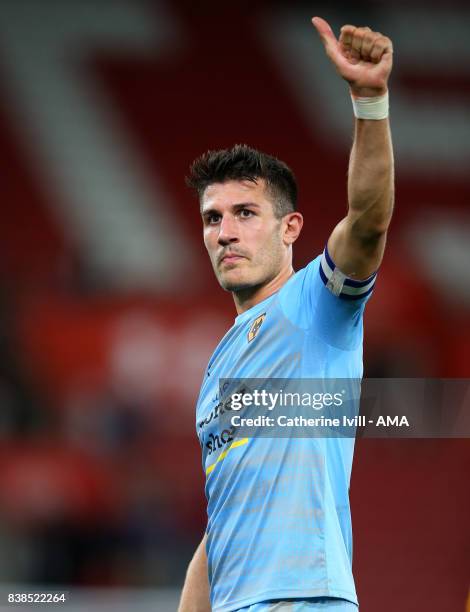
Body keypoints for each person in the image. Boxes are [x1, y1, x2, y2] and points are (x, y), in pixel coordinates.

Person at [178, 15, 394, 612]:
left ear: (290, 227)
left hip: (302, 599)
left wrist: (370, 102)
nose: (225, 232)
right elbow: (219, 525)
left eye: (245, 213)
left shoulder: (313, 307)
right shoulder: (219, 366)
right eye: (212, 218)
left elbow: (369, 220)